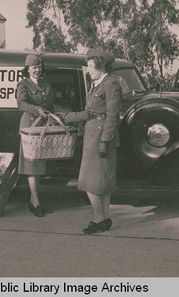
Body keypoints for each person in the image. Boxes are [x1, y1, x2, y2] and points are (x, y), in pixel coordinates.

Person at [59, 48, 122, 234]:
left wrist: (105, 140)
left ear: (102, 67)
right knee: (100, 181)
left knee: (91, 180)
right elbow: (89, 113)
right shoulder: (98, 84)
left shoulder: (111, 85)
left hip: (101, 137)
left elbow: (112, 115)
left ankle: (98, 218)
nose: (88, 70)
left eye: (91, 67)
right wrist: (66, 116)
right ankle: (104, 218)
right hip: (93, 134)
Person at [17, 54, 55, 217]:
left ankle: (36, 199)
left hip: (43, 126)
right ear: (27, 69)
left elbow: (50, 103)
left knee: (39, 164)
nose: (37, 70)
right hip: (30, 125)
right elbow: (21, 104)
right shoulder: (23, 84)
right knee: (31, 165)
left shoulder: (46, 84)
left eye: (39, 67)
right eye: (34, 68)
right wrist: (37, 109)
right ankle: (35, 202)